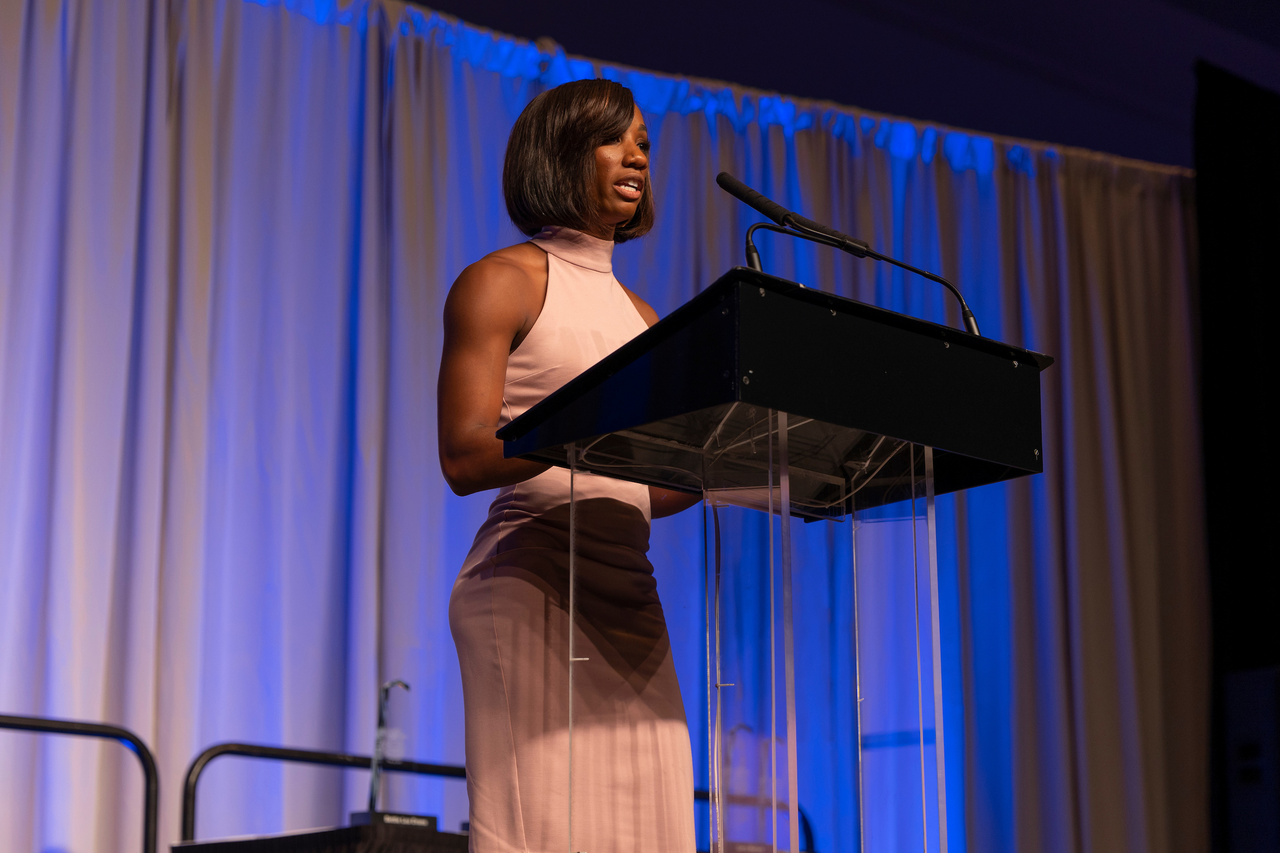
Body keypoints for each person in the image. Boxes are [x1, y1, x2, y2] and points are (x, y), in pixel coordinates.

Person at [438, 79, 701, 852]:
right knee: (546, 831)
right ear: (561, 152)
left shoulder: (644, 318)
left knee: (652, 831)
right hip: (531, 583)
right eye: (615, 138)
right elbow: (462, 452)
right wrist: (588, 432)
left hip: (631, 599)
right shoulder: (502, 282)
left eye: (645, 142)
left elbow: (649, 484)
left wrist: (732, 463)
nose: (637, 156)